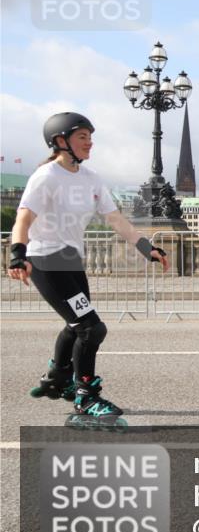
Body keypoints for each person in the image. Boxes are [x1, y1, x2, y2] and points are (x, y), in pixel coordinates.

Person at [6, 112, 170, 430]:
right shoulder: (46, 177)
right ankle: (85, 396)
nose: (90, 142)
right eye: (83, 137)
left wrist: (145, 246)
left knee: (76, 325)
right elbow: (23, 220)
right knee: (90, 328)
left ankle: (57, 377)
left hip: (72, 261)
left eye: (90, 137)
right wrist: (17, 255)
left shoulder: (91, 178)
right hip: (45, 261)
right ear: (60, 141)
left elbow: (116, 220)